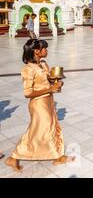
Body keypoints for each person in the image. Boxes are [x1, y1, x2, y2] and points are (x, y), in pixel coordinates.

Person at [4, 39, 74, 172]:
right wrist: (50, 89)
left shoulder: (43, 64)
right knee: (38, 131)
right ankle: (13, 157)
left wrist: (56, 80)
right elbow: (28, 93)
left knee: (53, 127)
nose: (46, 50)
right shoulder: (28, 69)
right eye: (44, 48)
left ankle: (58, 156)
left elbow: (48, 80)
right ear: (36, 51)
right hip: (38, 104)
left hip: (48, 101)